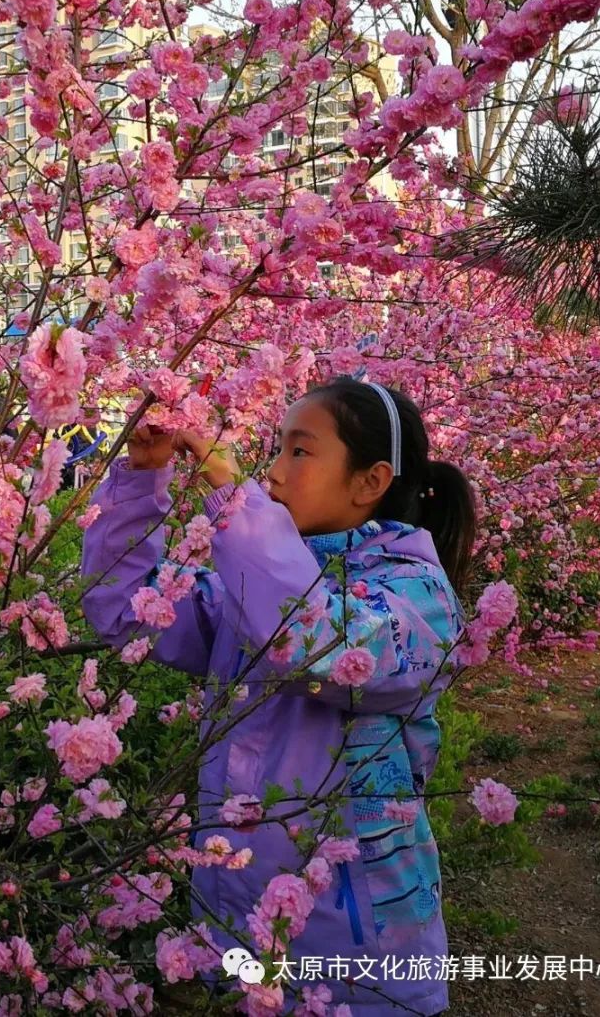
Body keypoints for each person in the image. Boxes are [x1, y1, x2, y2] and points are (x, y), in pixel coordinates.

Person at [80, 376, 475, 1015]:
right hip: (237, 912)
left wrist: (234, 500)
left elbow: (318, 641)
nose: (275, 470)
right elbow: (129, 611)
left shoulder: (417, 599)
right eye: (278, 449)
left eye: (300, 451)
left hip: (356, 949)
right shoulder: (256, 581)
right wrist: (138, 482)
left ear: (370, 482)